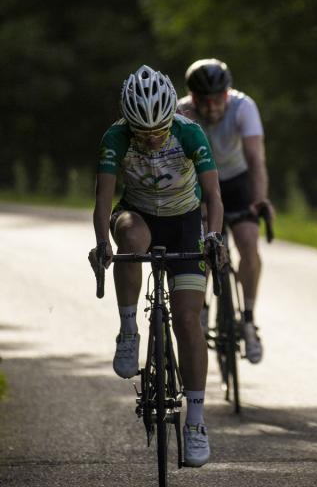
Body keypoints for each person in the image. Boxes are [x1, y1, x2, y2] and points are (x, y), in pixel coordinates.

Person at [89, 65, 227, 467]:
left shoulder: (189, 132)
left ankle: (196, 423)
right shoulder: (115, 138)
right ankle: (129, 329)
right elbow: (102, 201)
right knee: (130, 238)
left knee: (188, 319)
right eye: (142, 132)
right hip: (139, 214)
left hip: (185, 221)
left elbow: (214, 197)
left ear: (171, 118)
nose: (151, 140)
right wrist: (101, 244)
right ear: (128, 123)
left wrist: (214, 236)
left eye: (159, 131)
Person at [177, 58, 273, 364]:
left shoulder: (244, 108)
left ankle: (248, 319)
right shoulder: (180, 113)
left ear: (227, 94)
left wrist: (259, 200)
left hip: (235, 181)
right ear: (192, 98)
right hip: (198, 184)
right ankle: (201, 310)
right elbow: (179, 167)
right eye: (204, 100)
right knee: (201, 245)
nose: (212, 107)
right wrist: (199, 206)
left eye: (218, 99)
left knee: (247, 241)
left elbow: (256, 160)